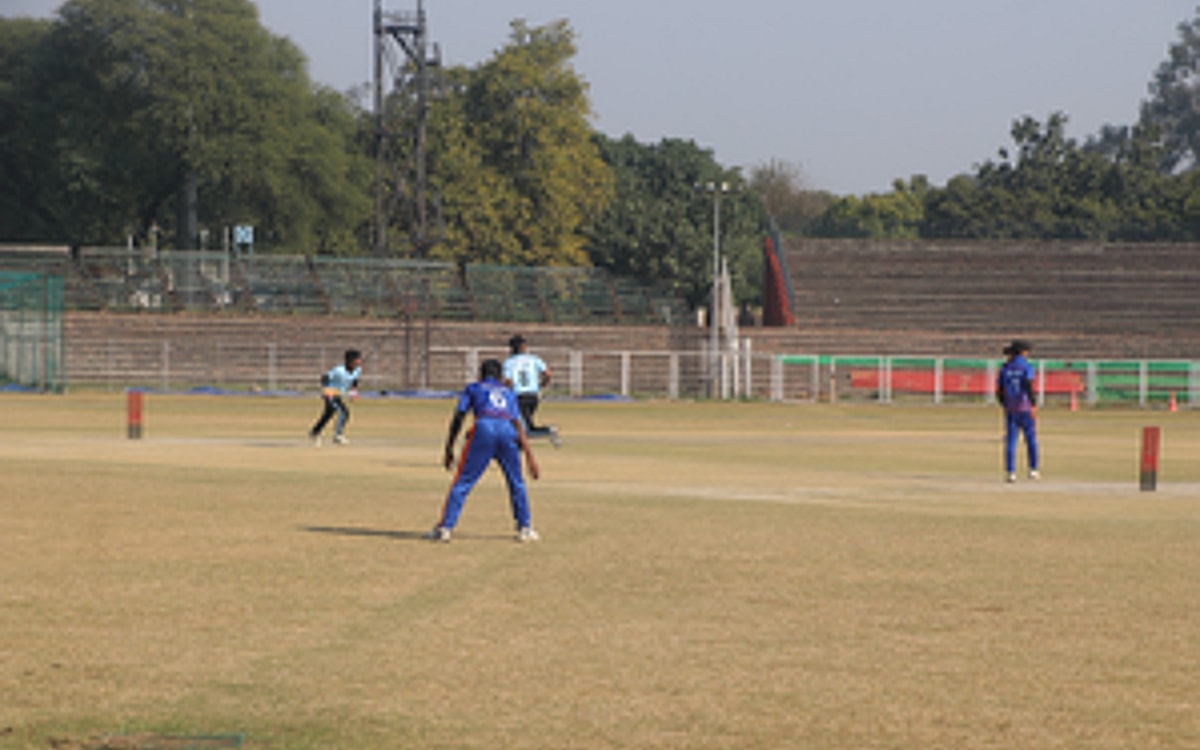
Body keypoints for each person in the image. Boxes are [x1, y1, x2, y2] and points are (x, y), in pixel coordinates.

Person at [427, 358, 541, 543]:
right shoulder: (508, 392)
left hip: (484, 428)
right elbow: (518, 424)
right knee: (516, 481)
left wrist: (449, 447)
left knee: (464, 480)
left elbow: (459, 416)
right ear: (500, 376)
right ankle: (525, 528)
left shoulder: (473, 388)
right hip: (507, 430)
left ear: (480, 374)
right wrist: (530, 457)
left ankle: (445, 528)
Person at [503, 334, 561, 447]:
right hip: (533, 396)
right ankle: (517, 449)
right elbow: (548, 373)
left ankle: (548, 431)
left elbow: (508, 381)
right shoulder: (534, 359)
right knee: (520, 426)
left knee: (526, 429)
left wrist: (505, 392)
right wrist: (543, 384)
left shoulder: (509, 362)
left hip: (519, 396)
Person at [996, 339, 1040, 483]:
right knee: (1031, 440)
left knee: (1011, 441)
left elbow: (999, 391)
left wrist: (1004, 404)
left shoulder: (1005, 368)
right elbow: (1028, 386)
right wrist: (1033, 404)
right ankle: (1033, 469)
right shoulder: (1026, 367)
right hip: (1025, 407)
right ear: (1023, 352)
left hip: (1011, 407)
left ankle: (1011, 472)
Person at [309, 349, 363, 446]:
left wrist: (353, 391)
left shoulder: (358, 370)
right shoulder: (338, 370)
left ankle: (315, 432)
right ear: (350, 360)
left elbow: (355, 380)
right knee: (343, 411)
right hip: (330, 393)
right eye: (357, 359)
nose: (359, 361)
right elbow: (325, 378)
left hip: (338, 394)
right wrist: (326, 390)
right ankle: (337, 436)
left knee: (328, 414)